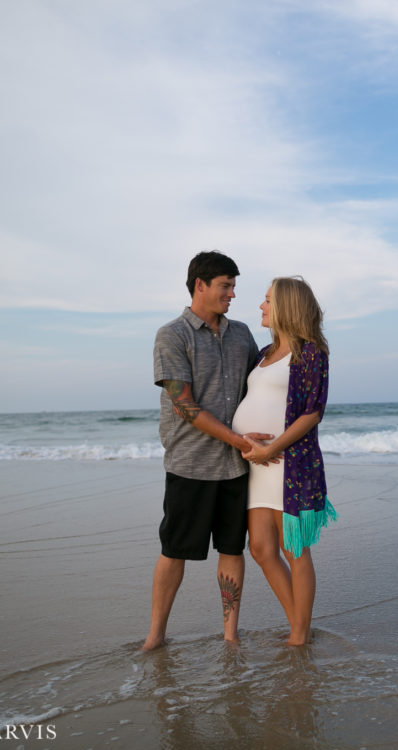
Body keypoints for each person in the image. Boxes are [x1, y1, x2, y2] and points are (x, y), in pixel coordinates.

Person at [142, 250, 274, 651]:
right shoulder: (172, 335)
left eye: (233, 286)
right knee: (175, 550)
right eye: (225, 286)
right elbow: (186, 407)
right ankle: (156, 634)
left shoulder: (242, 334)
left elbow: (262, 381)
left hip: (236, 467)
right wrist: (240, 440)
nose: (232, 294)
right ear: (200, 284)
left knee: (232, 550)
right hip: (190, 464)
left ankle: (230, 635)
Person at [232, 277, 336, 646]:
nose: (260, 307)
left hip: (286, 466)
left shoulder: (310, 352)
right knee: (261, 548)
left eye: (266, 301)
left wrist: (272, 449)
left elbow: (312, 413)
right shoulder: (264, 353)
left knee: (294, 549)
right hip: (257, 466)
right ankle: (298, 625)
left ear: (287, 306)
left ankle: (298, 634)